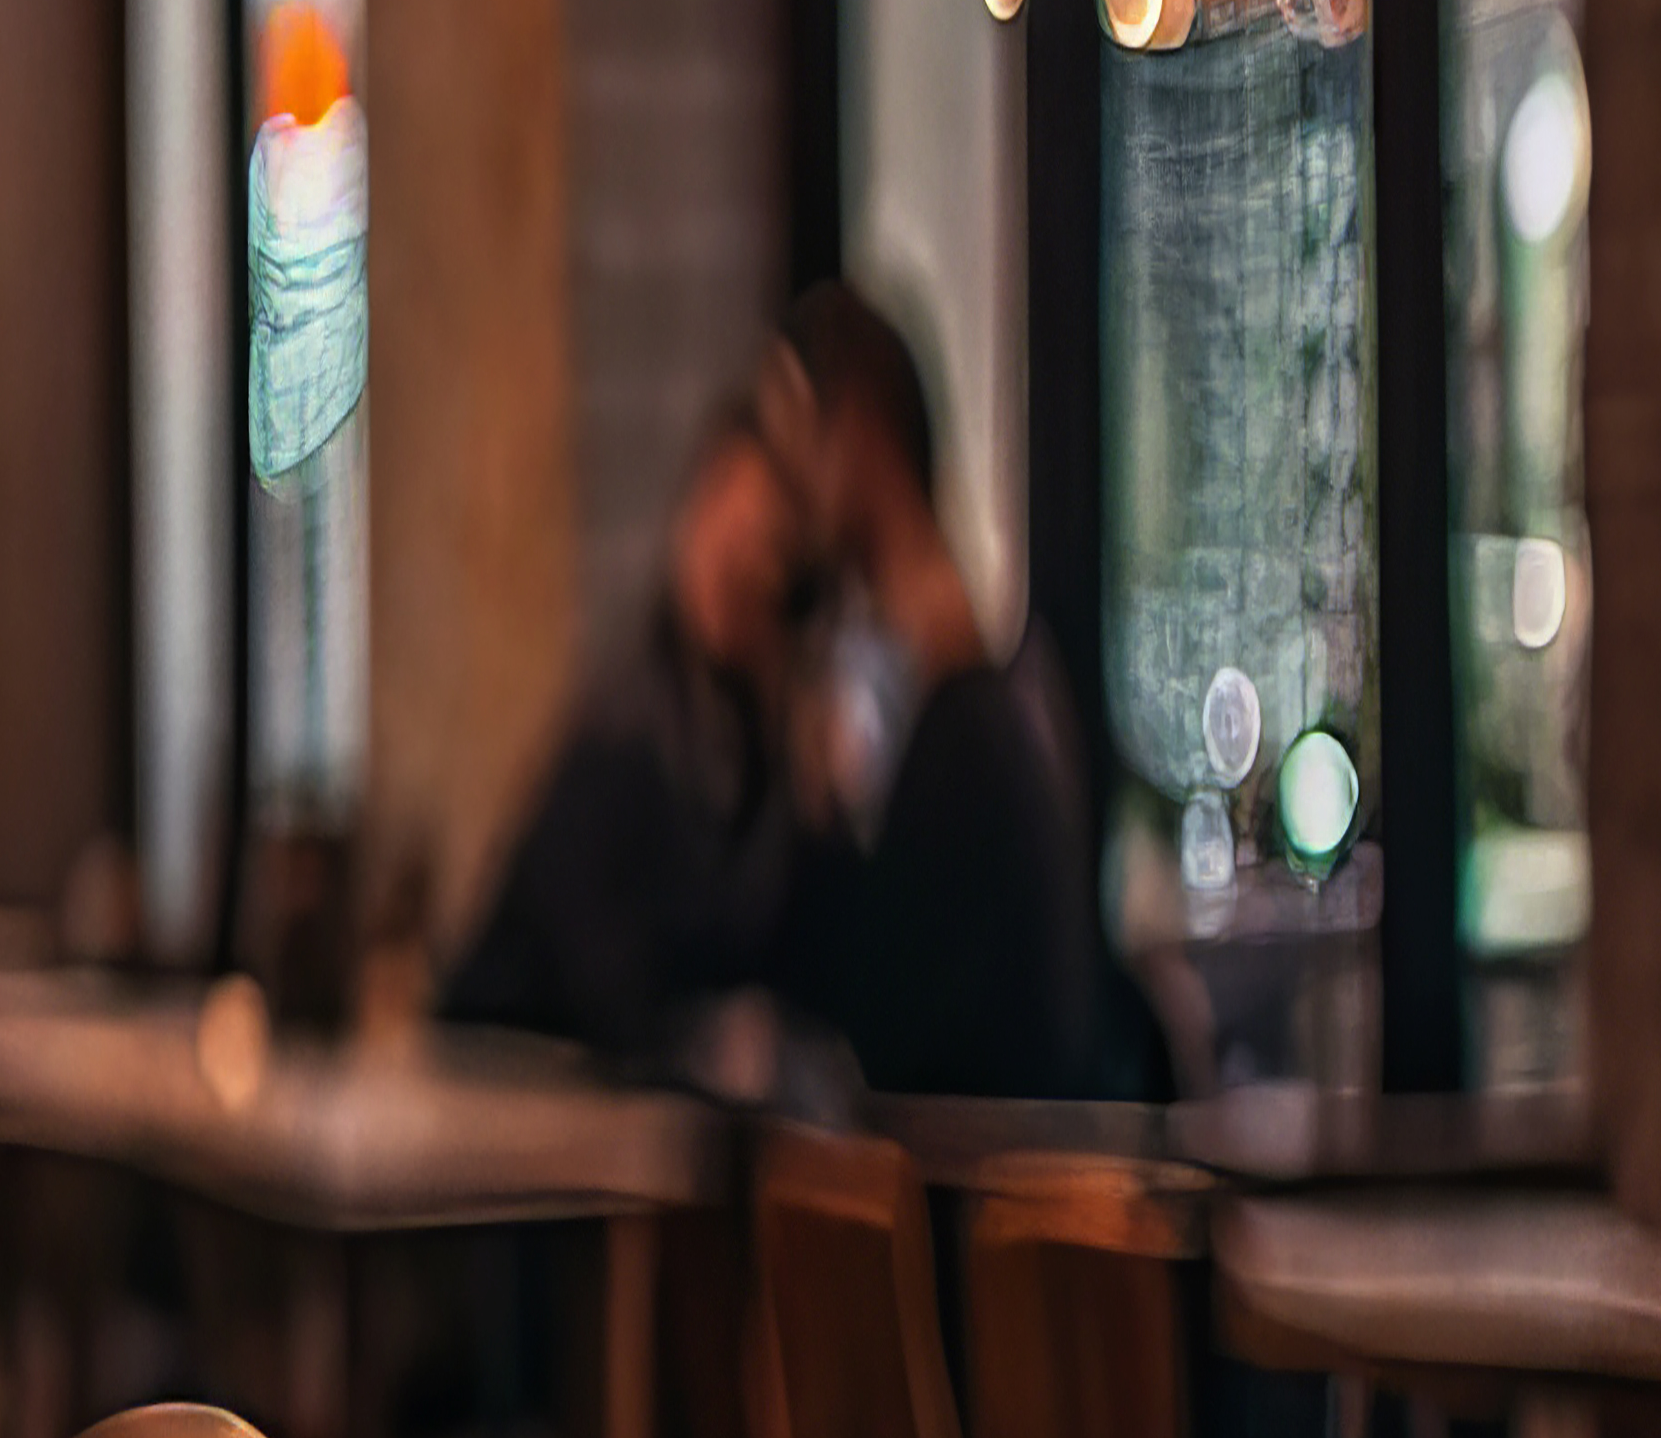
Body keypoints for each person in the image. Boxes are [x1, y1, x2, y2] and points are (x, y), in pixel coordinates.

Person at [762, 274, 1168, 1107]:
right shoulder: (966, 698)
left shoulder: (962, 724)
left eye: (796, 440)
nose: (784, 493)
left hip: (982, 1216)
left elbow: (892, 1026)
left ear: (861, 433)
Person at [445, 390, 804, 1060]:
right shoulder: (626, 729)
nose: (742, 565)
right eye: (726, 527)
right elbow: (600, 984)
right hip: (511, 1093)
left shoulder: (744, 742)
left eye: (767, 550)